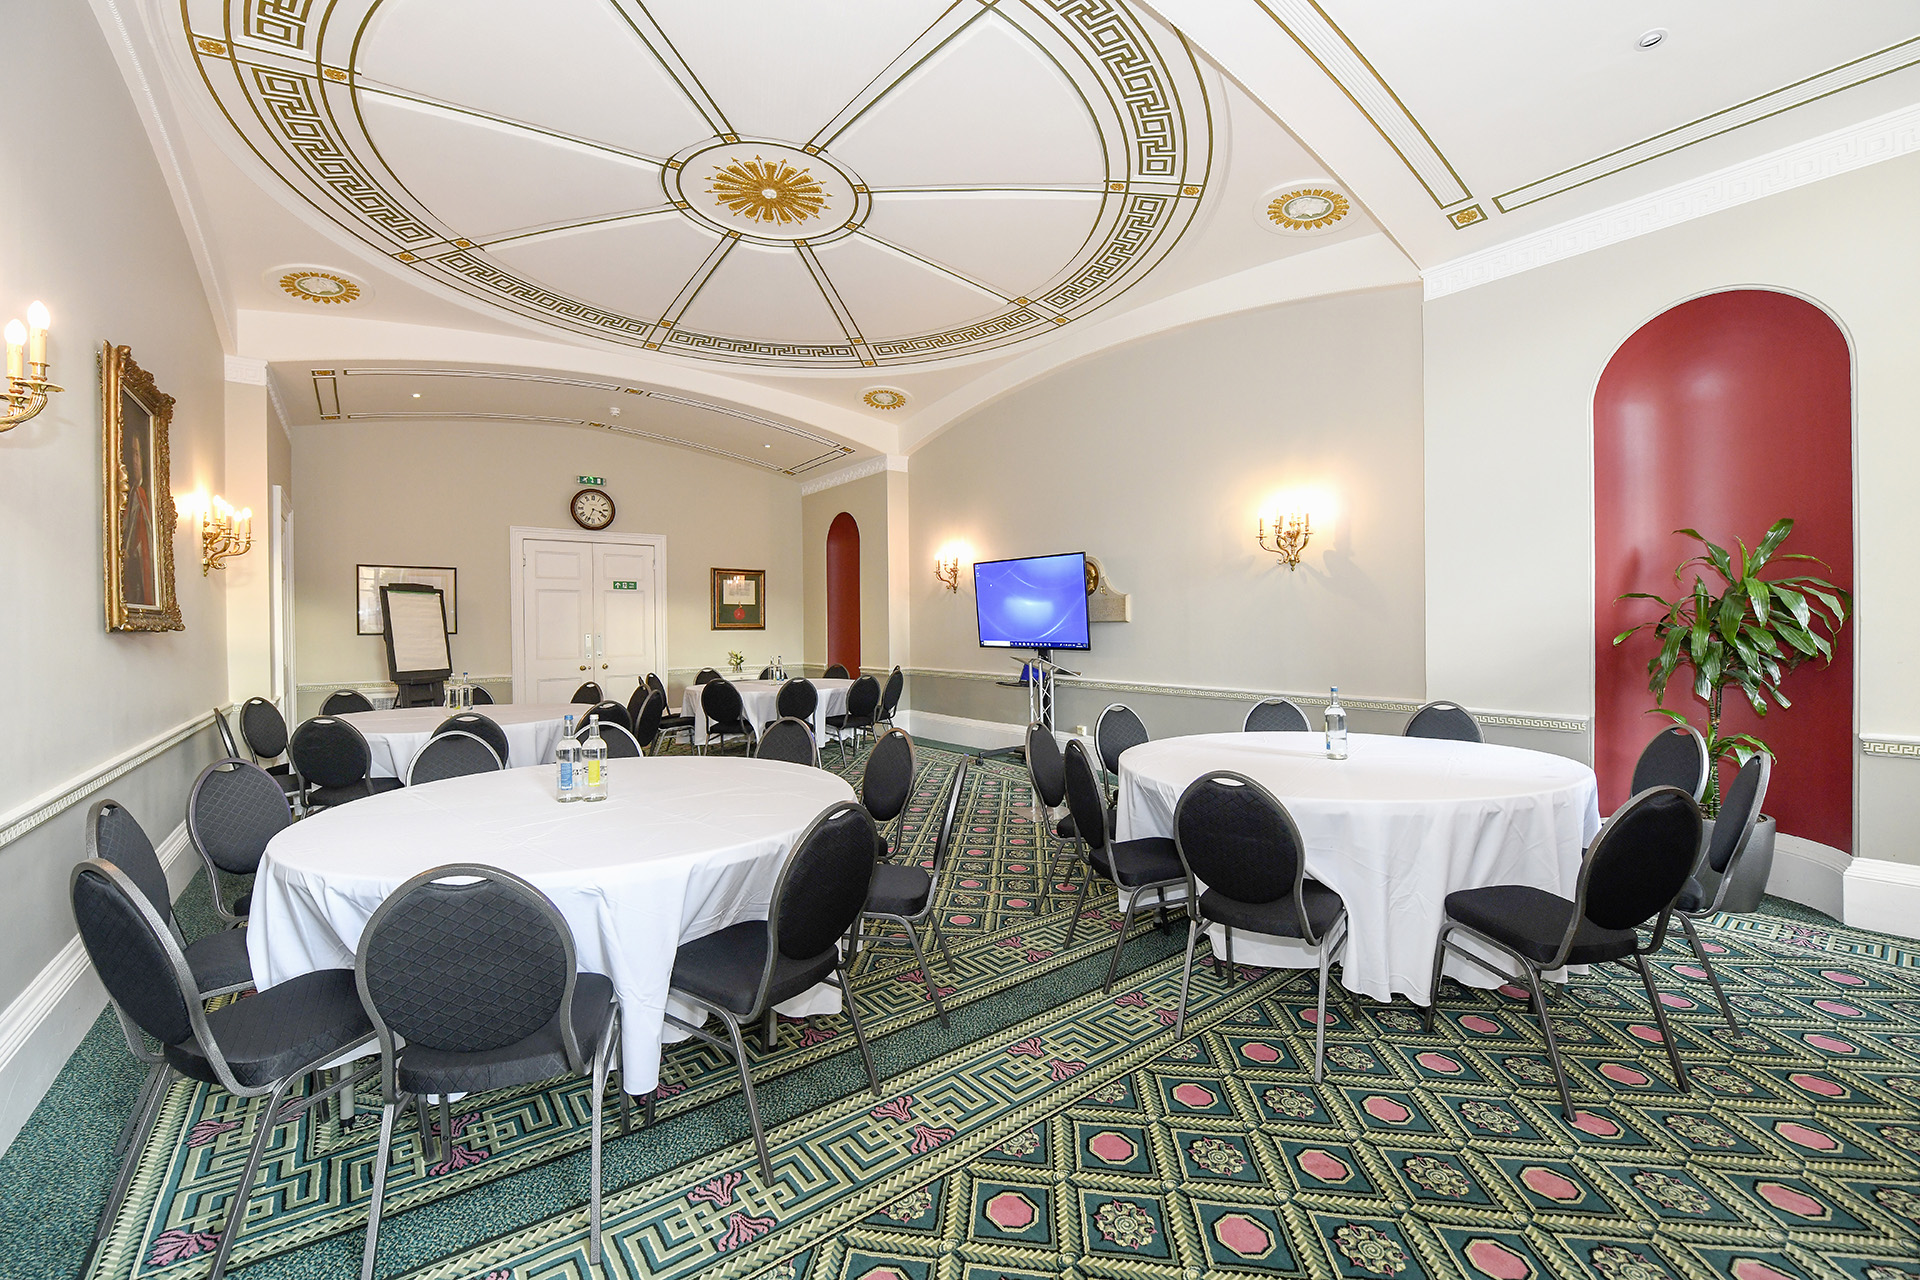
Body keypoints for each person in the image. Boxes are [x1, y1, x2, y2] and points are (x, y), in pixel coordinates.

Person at [121, 431, 155, 606]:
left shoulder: (140, 495)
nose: (134, 461)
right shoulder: (130, 494)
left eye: (137, 454)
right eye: (132, 454)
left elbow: (143, 542)